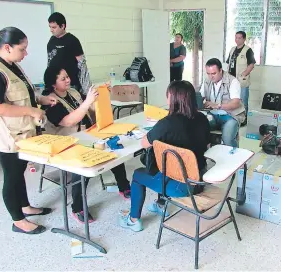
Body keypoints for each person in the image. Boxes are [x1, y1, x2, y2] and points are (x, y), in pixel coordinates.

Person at [0, 26, 57, 234]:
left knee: (19, 171)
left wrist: (40, 99)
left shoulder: (12, 65)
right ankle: (18, 221)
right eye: (22, 49)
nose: (26, 53)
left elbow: (21, 93)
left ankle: (25, 207)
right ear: (7, 47)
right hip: (5, 135)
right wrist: (32, 111)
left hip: (22, 133)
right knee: (12, 176)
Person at [43, 66, 131, 223]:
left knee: (112, 148)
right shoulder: (51, 101)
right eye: (63, 79)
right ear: (53, 84)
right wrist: (88, 102)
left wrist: (100, 95)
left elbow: (89, 109)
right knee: (84, 167)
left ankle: (123, 186)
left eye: (67, 76)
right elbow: (68, 121)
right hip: (67, 142)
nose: (68, 80)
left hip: (87, 135)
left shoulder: (74, 93)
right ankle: (77, 208)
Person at [119, 80, 211, 232]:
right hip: (200, 180)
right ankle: (160, 204)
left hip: (181, 187)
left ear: (174, 98)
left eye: (168, 95)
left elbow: (144, 143)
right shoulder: (202, 118)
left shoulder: (167, 123)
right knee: (164, 164)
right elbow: (207, 146)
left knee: (138, 175)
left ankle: (133, 219)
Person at [200, 58, 246, 148]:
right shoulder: (207, 81)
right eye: (208, 73)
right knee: (197, 129)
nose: (210, 76)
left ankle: (235, 159)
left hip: (230, 116)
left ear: (221, 70)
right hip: (211, 115)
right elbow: (200, 96)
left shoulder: (232, 81)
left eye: (213, 73)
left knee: (227, 138)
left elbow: (236, 103)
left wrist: (218, 106)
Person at [47, 12, 91, 95]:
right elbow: (49, 61)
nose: (51, 30)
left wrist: (86, 89)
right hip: (56, 85)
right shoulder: (51, 41)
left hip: (71, 84)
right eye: (50, 27)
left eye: (54, 27)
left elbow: (82, 65)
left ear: (62, 26)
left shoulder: (72, 40)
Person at [226, 31, 256, 125]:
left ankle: (244, 119)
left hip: (241, 80)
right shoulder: (232, 49)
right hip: (231, 79)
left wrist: (244, 74)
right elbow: (229, 63)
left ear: (243, 39)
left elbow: (251, 64)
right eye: (236, 37)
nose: (237, 40)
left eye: (239, 38)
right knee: (232, 99)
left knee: (243, 100)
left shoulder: (248, 50)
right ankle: (233, 117)